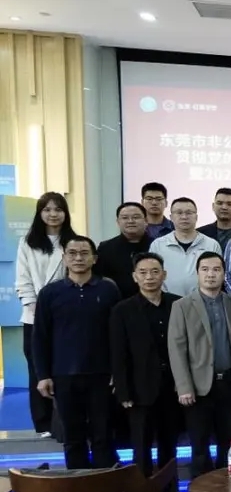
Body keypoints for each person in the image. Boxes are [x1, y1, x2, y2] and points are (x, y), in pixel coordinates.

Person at [33, 236, 121, 468]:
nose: (78, 258)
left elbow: (118, 335)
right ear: (64, 258)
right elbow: (40, 337)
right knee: (73, 437)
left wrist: (118, 371)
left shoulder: (108, 289)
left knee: (103, 435)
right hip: (64, 376)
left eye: (84, 253)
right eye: (72, 253)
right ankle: (78, 485)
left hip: (102, 374)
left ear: (94, 258)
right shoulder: (50, 293)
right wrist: (43, 375)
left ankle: (104, 485)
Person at [167, 252, 231, 482]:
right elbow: (176, 348)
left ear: (224, 273)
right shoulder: (182, 305)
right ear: (197, 273)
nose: (211, 274)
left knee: (228, 438)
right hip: (198, 385)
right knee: (199, 441)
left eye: (216, 269)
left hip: (228, 381)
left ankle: (228, 484)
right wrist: (183, 387)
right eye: (205, 269)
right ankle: (203, 488)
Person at [110, 252, 182, 477]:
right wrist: (123, 391)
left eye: (154, 272)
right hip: (139, 388)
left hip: (173, 386)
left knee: (169, 443)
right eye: (143, 272)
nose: (149, 277)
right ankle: (142, 491)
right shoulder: (122, 310)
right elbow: (118, 353)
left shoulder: (178, 304)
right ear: (134, 277)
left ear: (164, 274)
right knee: (141, 445)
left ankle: (169, 488)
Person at [16, 192, 77, 437]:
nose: (53, 214)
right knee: (38, 369)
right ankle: (42, 423)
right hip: (34, 315)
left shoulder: (74, 240)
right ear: (39, 213)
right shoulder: (28, 242)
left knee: (64, 368)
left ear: (65, 213)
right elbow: (23, 278)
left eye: (58, 209)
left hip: (67, 315)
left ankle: (64, 421)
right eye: (47, 209)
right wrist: (33, 305)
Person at [150, 197, 223, 297]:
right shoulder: (158, 245)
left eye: (189, 213)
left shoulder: (211, 244)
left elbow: (218, 276)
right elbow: (153, 275)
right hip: (167, 302)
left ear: (196, 217)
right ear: (171, 217)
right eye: (179, 213)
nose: (184, 217)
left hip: (203, 301)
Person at [96, 202, 151, 299]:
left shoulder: (157, 245)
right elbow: (99, 278)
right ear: (118, 222)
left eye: (136, 217)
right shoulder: (105, 248)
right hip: (116, 302)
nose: (130, 221)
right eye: (125, 218)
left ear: (146, 220)